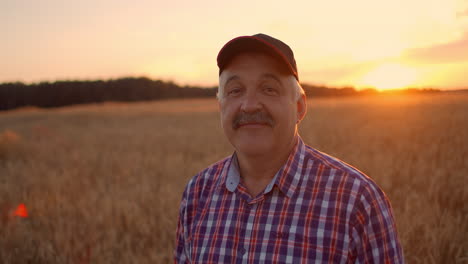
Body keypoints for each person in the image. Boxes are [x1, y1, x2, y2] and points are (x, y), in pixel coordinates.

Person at [174, 33, 404, 263]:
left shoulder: (357, 201)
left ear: (300, 106)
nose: (250, 105)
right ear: (221, 106)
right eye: (235, 90)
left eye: (269, 89)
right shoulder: (197, 193)